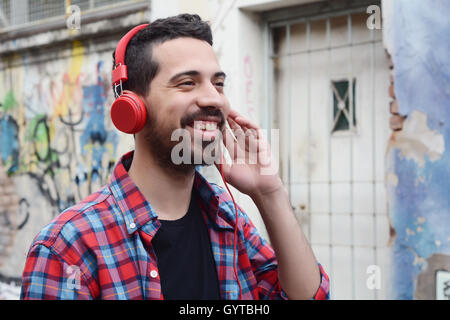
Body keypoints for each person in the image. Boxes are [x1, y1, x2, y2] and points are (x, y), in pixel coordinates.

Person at [20, 14, 329, 300]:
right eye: (187, 83)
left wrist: (269, 192)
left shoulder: (227, 219)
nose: (212, 98)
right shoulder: (68, 248)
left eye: (218, 84)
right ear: (132, 109)